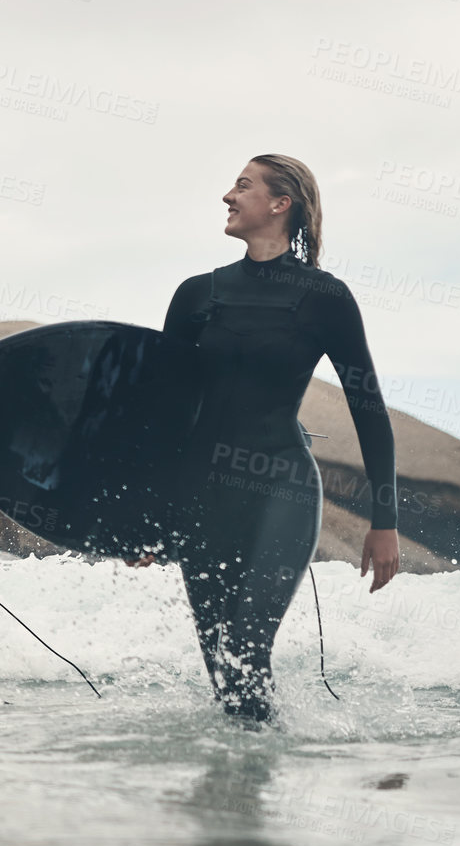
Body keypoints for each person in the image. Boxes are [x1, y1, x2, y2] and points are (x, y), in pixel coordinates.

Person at [149, 154, 399, 723]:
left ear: (281, 204)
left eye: (242, 185)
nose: (227, 196)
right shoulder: (196, 295)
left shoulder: (325, 298)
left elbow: (368, 409)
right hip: (201, 495)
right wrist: (149, 512)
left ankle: (250, 787)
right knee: (221, 667)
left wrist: (383, 523)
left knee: (247, 650)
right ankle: (234, 795)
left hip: (281, 486)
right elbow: (163, 413)